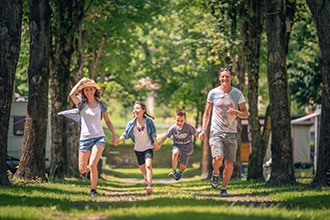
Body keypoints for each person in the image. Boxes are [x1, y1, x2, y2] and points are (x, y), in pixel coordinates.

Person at [199, 67, 248, 197]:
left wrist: (237, 112)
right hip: (216, 131)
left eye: (227, 76)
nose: (225, 79)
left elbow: (246, 114)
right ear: (219, 78)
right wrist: (203, 129)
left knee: (229, 163)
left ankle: (224, 187)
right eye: (223, 76)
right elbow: (207, 113)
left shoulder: (237, 94)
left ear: (231, 78)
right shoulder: (213, 93)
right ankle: (216, 173)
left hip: (231, 133)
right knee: (218, 158)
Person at [69, 77, 118, 197]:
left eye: (91, 89)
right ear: (83, 92)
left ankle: (93, 190)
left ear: (95, 90)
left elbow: (107, 121)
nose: (89, 92)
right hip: (84, 139)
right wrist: (81, 82)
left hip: (98, 137)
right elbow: (71, 94)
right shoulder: (81, 104)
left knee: (92, 165)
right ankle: (87, 173)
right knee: (82, 169)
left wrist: (115, 135)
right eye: (86, 90)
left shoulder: (101, 104)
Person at [112, 101, 159, 195]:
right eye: (134, 108)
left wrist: (156, 143)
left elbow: (153, 133)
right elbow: (125, 134)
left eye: (137, 108)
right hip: (138, 149)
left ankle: (149, 186)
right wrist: (118, 140)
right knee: (142, 168)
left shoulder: (149, 122)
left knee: (148, 166)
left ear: (143, 110)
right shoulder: (131, 123)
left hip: (148, 147)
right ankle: (145, 175)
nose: (135, 110)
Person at [157, 109, 199, 181]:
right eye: (177, 121)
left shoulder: (188, 127)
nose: (179, 123)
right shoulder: (173, 128)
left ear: (185, 120)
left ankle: (179, 173)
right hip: (177, 145)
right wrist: (160, 145)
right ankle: (173, 170)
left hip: (187, 148)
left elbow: (196, 133)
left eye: (181, 121)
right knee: (175, 152)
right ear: (174, 119)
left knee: (183, 167)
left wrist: (201, 137)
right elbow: (165, 136)